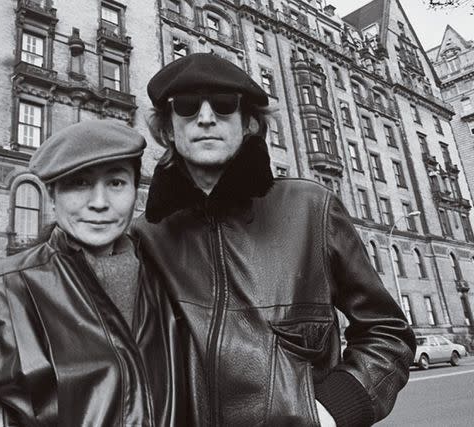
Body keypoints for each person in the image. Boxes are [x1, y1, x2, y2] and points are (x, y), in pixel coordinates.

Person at [133, 53, 416, 427]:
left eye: (223, 104)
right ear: (168, 128)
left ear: (249, 123)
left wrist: (331, 411)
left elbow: (388, 332)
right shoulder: (144, 237)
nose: (204, 117)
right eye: (185, 106)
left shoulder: (312, 208)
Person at [0, 120, 185, 427]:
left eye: (116, 183)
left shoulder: (170, 277)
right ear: (52, 196)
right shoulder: (4, 291)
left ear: (136, 191)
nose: (99, 203)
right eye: (80, 183)